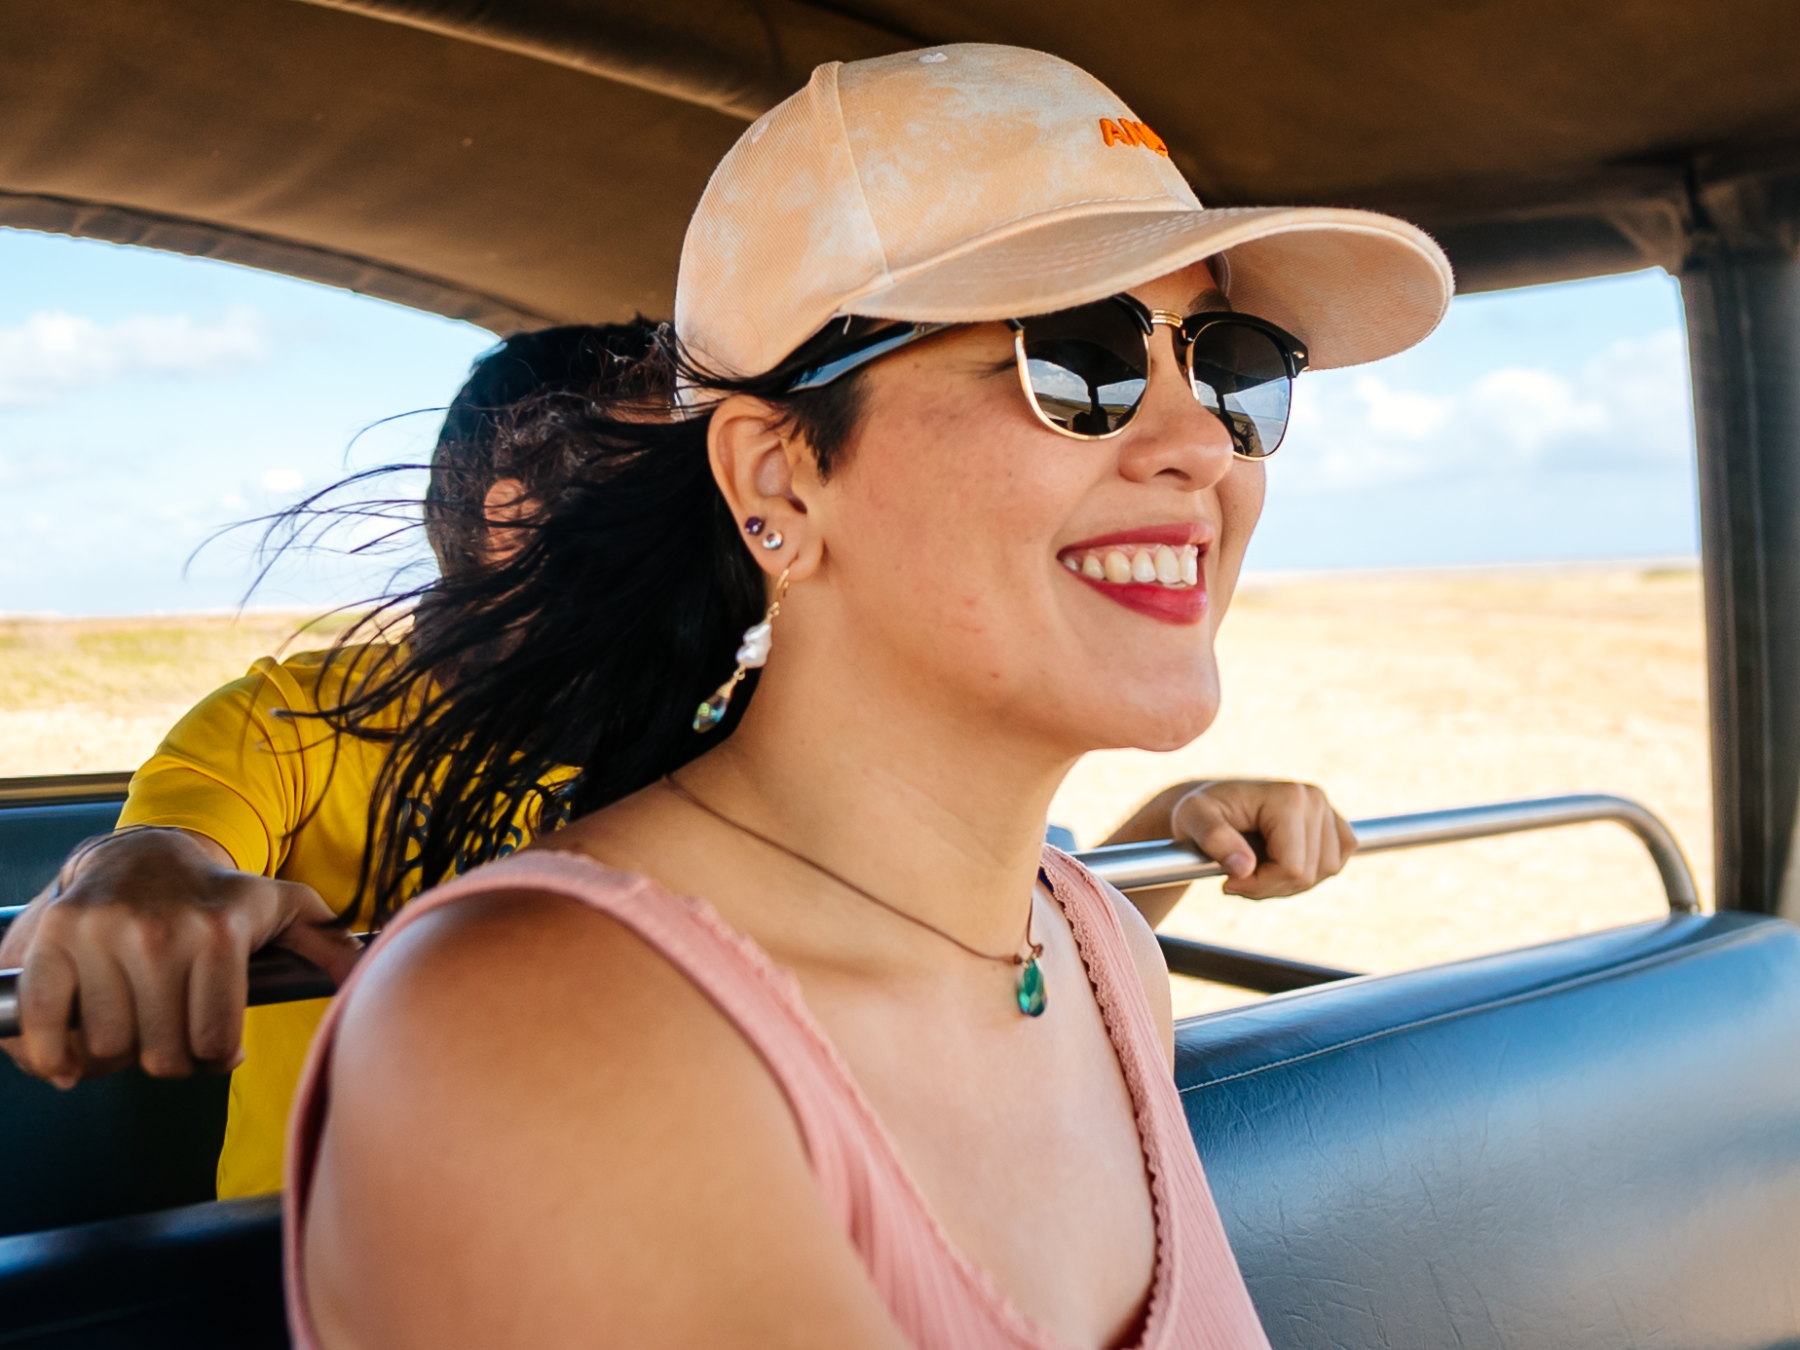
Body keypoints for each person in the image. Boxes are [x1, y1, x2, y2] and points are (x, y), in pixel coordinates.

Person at [288, 45, 1449, 1350]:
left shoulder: (1100, 954)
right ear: (780, 483)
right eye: (1077, 355)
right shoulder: (532, 1031)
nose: (1198, 447)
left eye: (1231, 365)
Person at [0, 320, 666, 1199]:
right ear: (516, 521)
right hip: (307, 1272)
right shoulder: (290, 720)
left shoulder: (719, 722)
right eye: (673, 499)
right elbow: (169, 850)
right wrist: (128, 880)